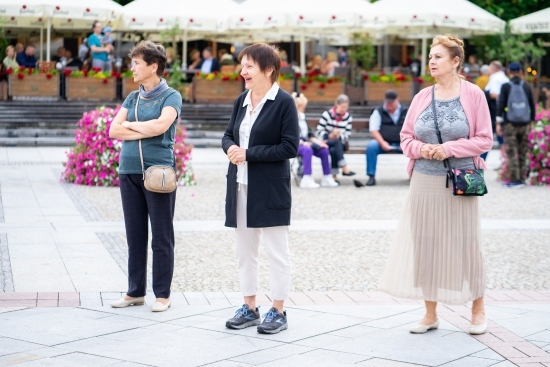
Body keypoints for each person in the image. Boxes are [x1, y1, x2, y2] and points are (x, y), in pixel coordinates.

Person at [379, 34, 493, 336]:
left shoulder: (473, 94)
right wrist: (421, 149)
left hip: (461, 179)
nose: (431, 61)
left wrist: (449, 149)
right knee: (425, 243)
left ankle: (478, 310)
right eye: (431, 56)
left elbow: (485, 140)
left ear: (456, 62)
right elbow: (405, 138)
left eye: (438, 56)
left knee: (467, 243)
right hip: (424, 180)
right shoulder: (420, 97)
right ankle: (430, 314)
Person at [222, 43, 299, 334]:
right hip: (239, 185)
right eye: (242, 66)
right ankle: (249, 306)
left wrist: (248, 153)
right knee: (245, 251)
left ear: (269, 69)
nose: (243, 71)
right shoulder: (241, 100)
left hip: (270, 189)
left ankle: (278, 310)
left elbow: (289, 147)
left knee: (277, 251)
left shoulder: (284, 102)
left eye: (249, 66)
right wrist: (231, 148)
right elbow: (228, 135)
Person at [108, 41, 182, 313]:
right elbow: (113, 131)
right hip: (128, 171)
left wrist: (129, 125)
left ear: (153, 66)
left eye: (137, 63)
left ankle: (162, 295)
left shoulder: (171, 96)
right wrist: (143, 129)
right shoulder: (132, 97)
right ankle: (135, 292)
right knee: (135, 235)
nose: (132, 68)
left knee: (161, 236)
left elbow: (161, 126)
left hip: (158, 173)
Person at [354, 90, 408, 187]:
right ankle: (371, 176)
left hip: (403, 142)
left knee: (416, 147)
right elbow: (374, 130)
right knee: (371, 146)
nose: (389, 104)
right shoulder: (378, 111)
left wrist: (406, 142)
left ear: (397, 100)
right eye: (387, 102)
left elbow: (412, 128)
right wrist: (382, 143)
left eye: (391, 102)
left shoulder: (406, 111)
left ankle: (413, 175)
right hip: (383, 141)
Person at [496, 62, 535, 188]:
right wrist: (531, 122)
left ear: (509, 71)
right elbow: (532, 105)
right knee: (523, 151)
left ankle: (514, 181)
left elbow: (501, 105)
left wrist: (498, 123)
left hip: (510, 123)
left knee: (512, 152)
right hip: (524, 123)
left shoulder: (506, 86)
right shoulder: (527, 86)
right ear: (520, 71)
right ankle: (523, 179)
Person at [292, 92, 338, 188]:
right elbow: (289, 135)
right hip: (295, 145)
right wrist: (303, 143)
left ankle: (327, 177)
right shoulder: (290, 117)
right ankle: (307, 178)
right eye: (302, 107)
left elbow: (310, 134)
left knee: (324, 150)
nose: (304, 109)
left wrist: (319, 143)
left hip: (306, 143)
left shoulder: (303, 117)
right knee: (307, 150)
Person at [316, 94, 356, 181]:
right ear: (336, 105)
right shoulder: (327, 115)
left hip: (339, 143)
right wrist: (329, 135)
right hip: (326, 142)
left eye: (346, 107)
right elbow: (318, 131)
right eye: (342, 107)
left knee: (335, 148)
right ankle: (344, 167)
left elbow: (347, 134)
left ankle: (334, 177)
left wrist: (338, 136)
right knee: (335, 143)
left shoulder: (348, 117)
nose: (344, 109)